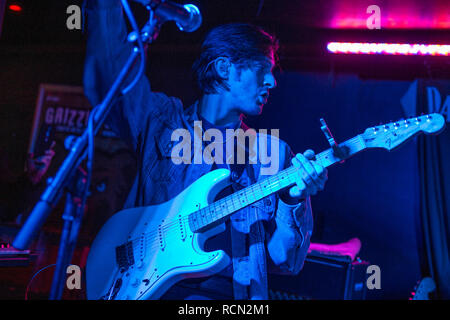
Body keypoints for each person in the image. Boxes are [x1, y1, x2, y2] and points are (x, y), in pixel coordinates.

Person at [83, 0, 327, 300]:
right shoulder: (161, 121)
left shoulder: (273, 153)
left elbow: (287, 262)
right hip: (144, 287)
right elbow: (107, 75)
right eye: (262, 69)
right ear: (224, 68)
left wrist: (293, 200)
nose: (272, 82)